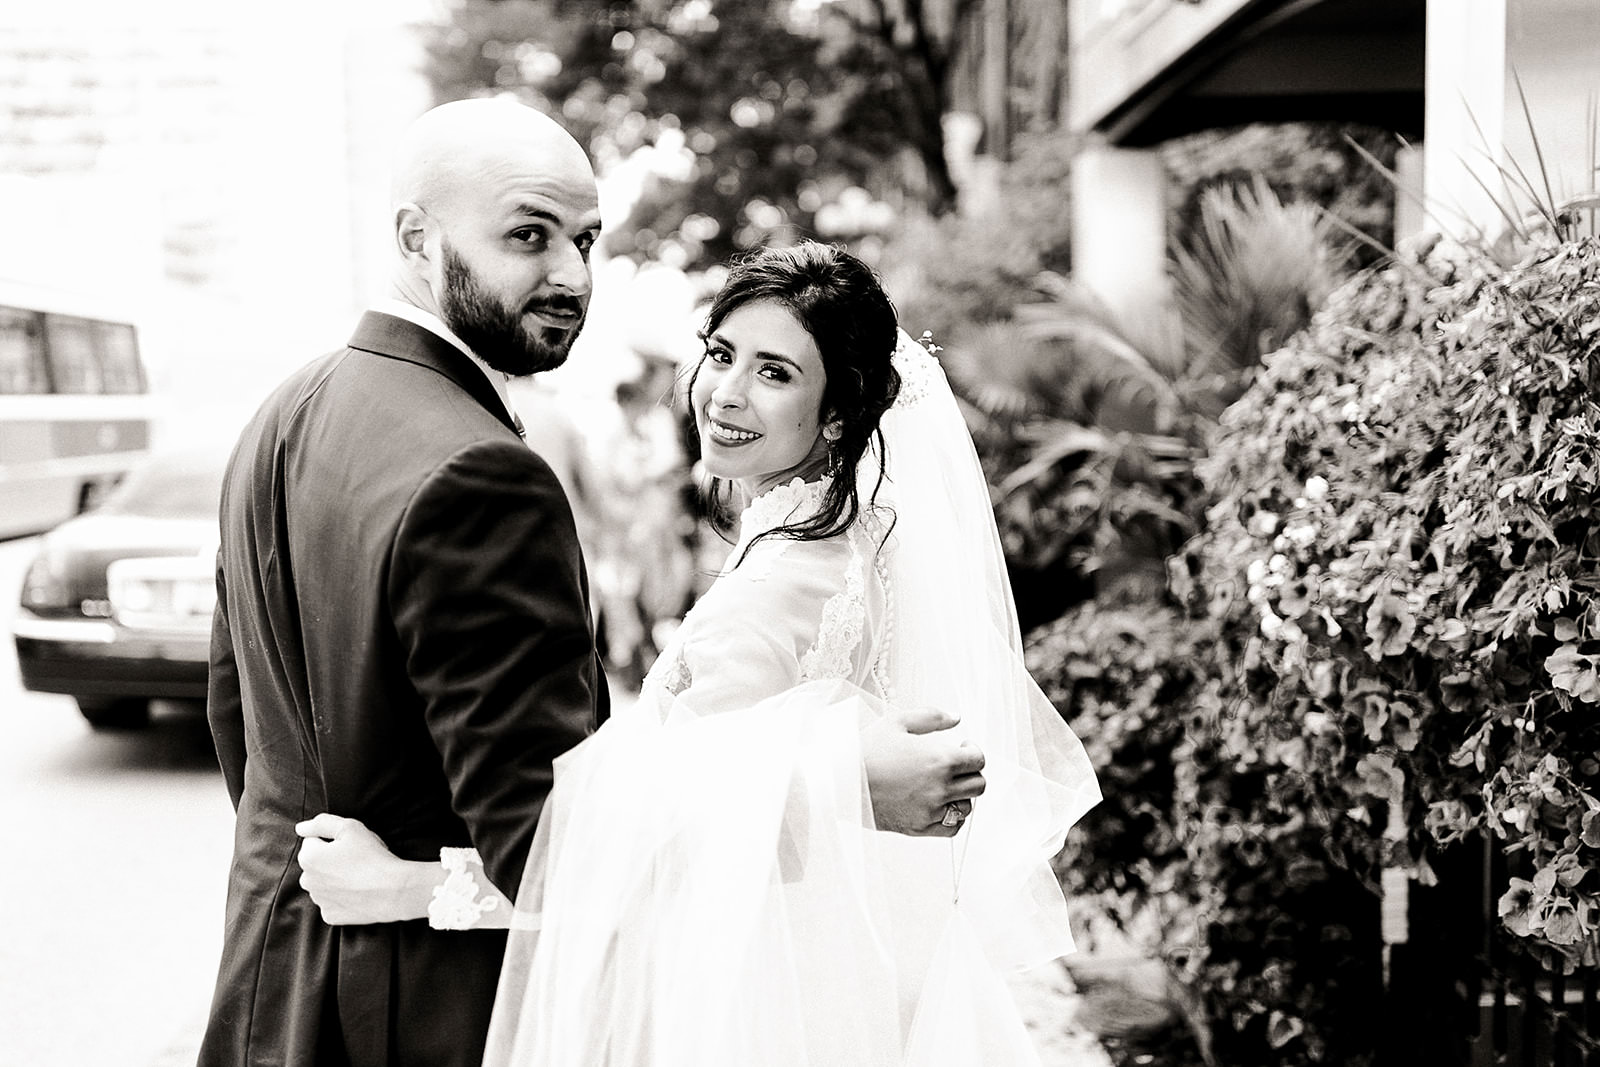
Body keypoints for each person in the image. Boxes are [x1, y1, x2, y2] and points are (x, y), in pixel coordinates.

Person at [199, 101, 987, 1067]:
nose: (571, 275)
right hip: (421, 1008)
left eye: (583, 239)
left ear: (837, 412)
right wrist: (845, 783)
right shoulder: (479, 472)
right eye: (529, 236)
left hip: (271, 990)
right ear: (415, 236)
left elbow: (244, 730)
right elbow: (554, 852)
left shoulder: (282, 412)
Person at [293, 241, 1100, 1065]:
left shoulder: (774, 592)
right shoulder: (858, 537)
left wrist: (402, 886)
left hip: (765, 1008)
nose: (726, 393)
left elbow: (659, 866)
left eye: (775, 372)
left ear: (837, 412)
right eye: (722, 354)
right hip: (858, 982)